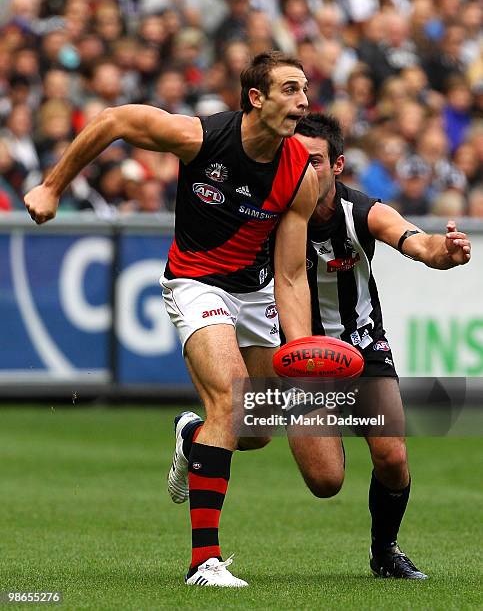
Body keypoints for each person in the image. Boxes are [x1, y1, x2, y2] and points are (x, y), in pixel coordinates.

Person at [24, 51, 319, 587]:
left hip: (254, 294)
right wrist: (52, 187)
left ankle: (191, 437)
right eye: (290, 90)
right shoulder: (201, 138)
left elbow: (292, 277)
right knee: (230, 402)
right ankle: (204, 562)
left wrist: (299, 348)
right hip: (194, 282)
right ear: (256, 98)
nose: (303, 102)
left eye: (305, 90)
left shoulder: (302, 172)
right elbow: (113, 120)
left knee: (256, 429)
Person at [288, 112, 471, 579]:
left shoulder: (363, 212)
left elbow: (418, 242)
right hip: (300, 355)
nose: (303, 172)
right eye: (293, 161)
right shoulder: (275, 215)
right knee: (326, 482)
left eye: (313, 162)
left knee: (392, 456)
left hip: (362, 345)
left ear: (338, 166)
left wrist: (443, 253)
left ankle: (385, 552)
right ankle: (196, 432)